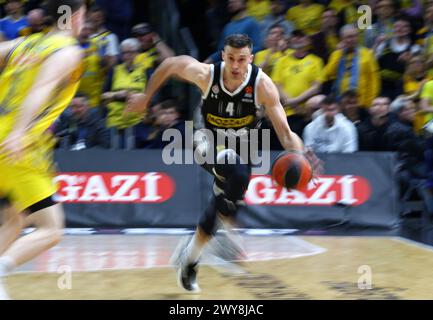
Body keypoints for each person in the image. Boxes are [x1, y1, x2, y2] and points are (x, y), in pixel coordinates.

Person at [126, 34, 321, 293]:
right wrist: (146, 97)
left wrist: (300, 154)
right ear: (223, 56)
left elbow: (285, 133)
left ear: (250, 59)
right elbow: (171, 63)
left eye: (241, 59)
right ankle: (223, 230)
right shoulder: (208, 74)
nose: (236, 65)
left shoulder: (262, 84)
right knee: (235, 171)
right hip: (205, 138)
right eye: (230, 58)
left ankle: (191, 257)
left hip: (244, 145)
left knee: (225, 205)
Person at [0, 0, 85, 299]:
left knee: (14, 218)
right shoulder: (67, 51)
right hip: (18, 145)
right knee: (52, 229)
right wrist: (20, 132)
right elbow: (40, 89)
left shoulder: (26, 43)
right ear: (75, 17)